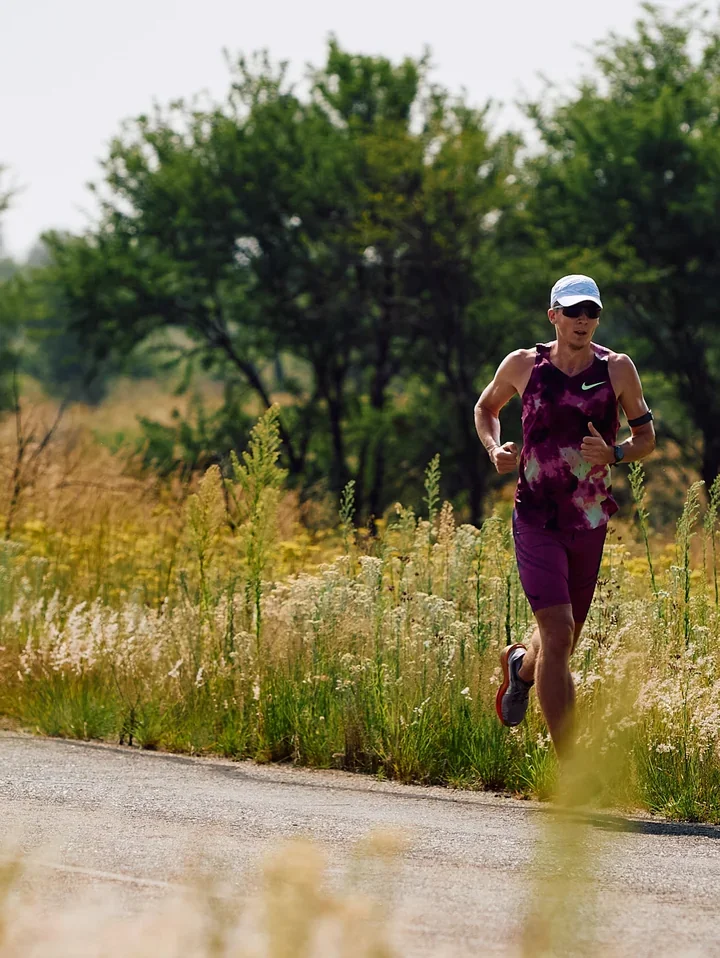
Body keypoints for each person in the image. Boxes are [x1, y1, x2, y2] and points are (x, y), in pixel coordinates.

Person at [474, 274, 655, 756]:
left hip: (589, 520)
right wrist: (495, 449)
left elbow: (646, 440)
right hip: (535, 516)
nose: (582, 320)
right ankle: (570, 771)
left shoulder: (617, 370)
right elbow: (486, 407)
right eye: (572, 311)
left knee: (562, 641)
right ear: (552, 315)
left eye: (591, 312)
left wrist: (614, 454)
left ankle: (520, 668)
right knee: (558, 632)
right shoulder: (523, 365)